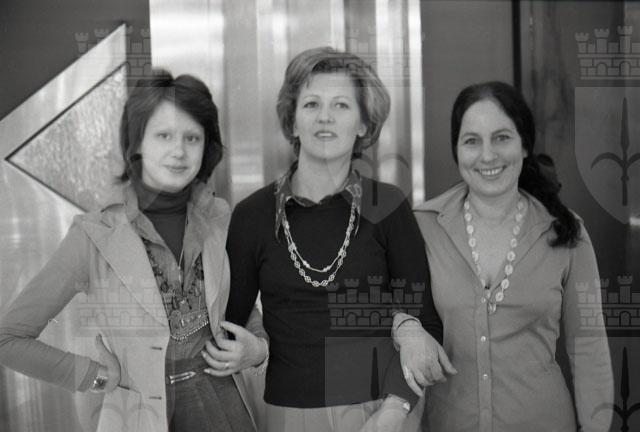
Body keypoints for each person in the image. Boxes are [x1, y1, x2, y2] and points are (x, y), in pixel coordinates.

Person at [0, 70, 266, 432]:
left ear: (206, 147)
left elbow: (238, 305)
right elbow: (9, 338)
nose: (179, 151)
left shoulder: (218, 218)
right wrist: (92, 375)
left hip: (225, 407)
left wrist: (257, 349)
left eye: (192, 138)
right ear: (137, 142)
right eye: (163, 135)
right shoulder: (95, 235)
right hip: (140, 416)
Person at [204, 46, 447, 432]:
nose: (325, 117)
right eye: (311, 104)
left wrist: (395, 410)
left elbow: (426, 324)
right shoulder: (253, 215)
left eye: (341, 105)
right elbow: (227, 322)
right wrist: (257, 349)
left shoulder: (388, 206)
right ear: (292, 121)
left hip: (381, 413)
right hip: (287, 414)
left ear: (363, 124)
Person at [392, 81, 613, 431]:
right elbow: (387, 308)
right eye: (471, 141)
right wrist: (404, 328)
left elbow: (589, 351)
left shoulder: (567, 232)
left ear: (524, 145)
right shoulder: (422, 227)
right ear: (456, 150)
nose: (487, 155)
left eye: (501, 138)